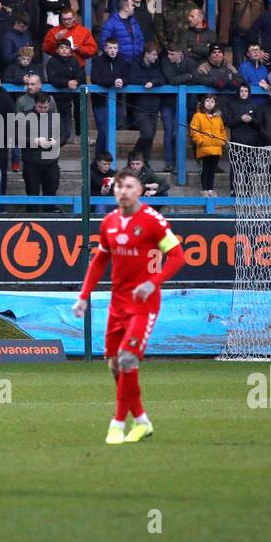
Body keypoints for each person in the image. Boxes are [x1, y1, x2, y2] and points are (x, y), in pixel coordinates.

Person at [72, 169, 186, 445]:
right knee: (114, 365)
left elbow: (177, 256)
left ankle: (117, 424)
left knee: (127, 359)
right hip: (118, 304)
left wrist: (153, 282)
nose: (123, 191)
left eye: (129, 186)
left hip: (144, 304)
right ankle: (142, 421)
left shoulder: (152, 221)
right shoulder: (109, 222)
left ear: (140, 191)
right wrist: (84, 295)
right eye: (119, 186)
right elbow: (100, 261)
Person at [189, 94, 226, 196]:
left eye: (212, 102)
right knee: (205, 169)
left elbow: (222, 130)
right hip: (204, 148)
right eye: (207, 101)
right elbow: (194, 131)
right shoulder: (198, 116)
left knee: (212, 170)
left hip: (216, 148)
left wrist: (222, 141)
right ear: (203, 103)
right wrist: (201, 141)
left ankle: (210, 189)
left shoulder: (218, 117)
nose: (209, 103)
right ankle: (204, 189)